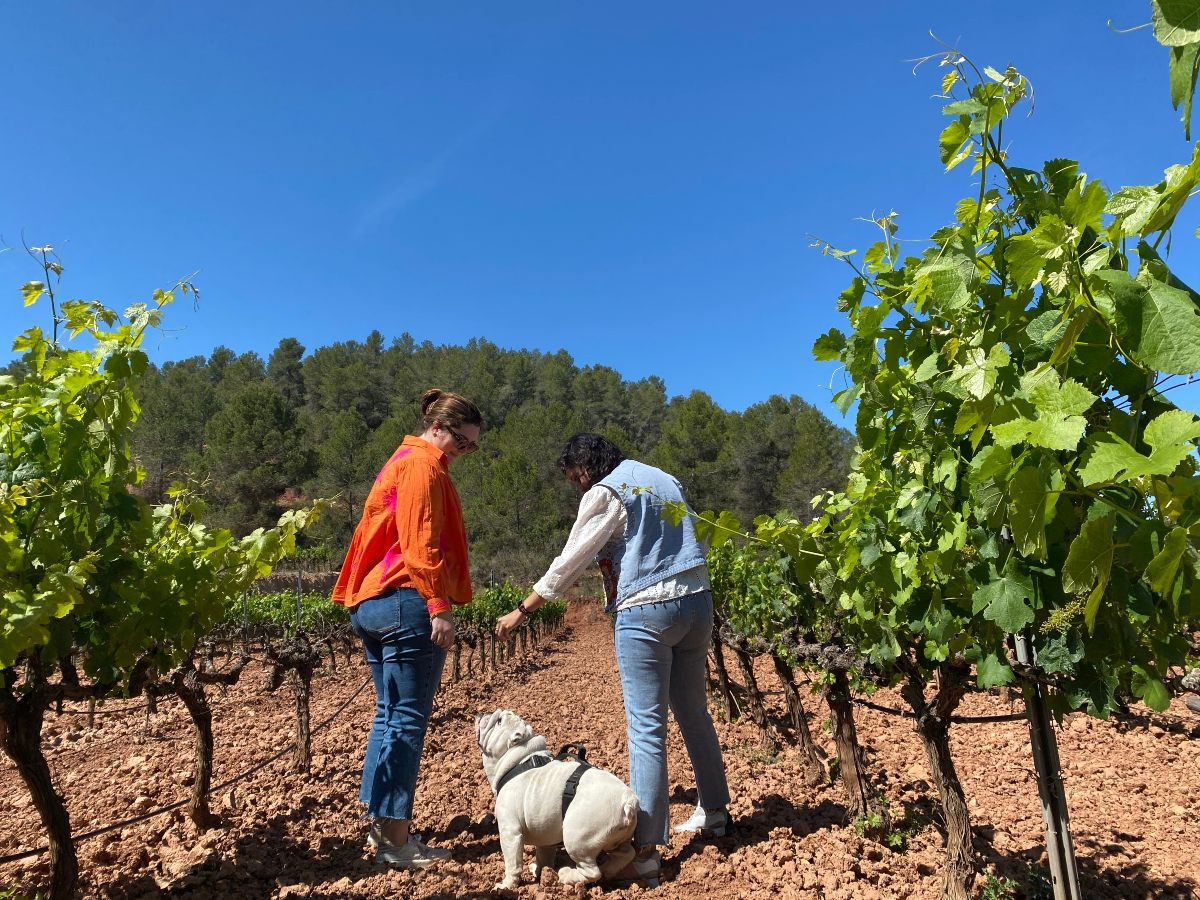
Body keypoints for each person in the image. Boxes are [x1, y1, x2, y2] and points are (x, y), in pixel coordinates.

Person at [495, 433, 731, 886]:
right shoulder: (663, 478)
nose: (576, 487)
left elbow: (571, 560)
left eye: (574, 478)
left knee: (646, 726)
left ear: (585, 467)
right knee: (694, 712)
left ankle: (644, 852)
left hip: (646, 608)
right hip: (698, 601)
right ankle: (716, 813)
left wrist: (522, 609)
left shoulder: (607, 490)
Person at [332, 388, 482, 869]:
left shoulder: (401, 460)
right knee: (407, 719)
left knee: (389, 714)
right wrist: (438, 606)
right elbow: (420, 542)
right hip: (405, 599)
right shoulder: (421, 464)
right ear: (438, 428)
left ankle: (384, 826)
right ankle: (396, 842)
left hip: (374, 600)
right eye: (460, 441)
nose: (462, 452)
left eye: (470, 447)